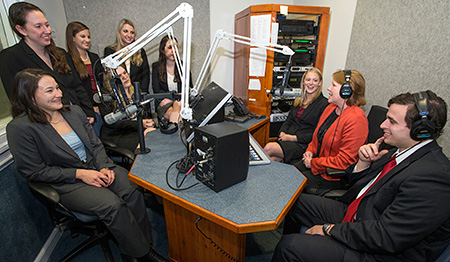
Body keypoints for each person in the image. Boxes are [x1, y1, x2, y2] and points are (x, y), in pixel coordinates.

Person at [6, 68, 167, 262]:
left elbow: (95, 144)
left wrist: (104, 167)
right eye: (50, 91)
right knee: (112, 204)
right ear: (30, 96)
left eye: (57, 88)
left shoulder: (73, 112)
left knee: (133, 190)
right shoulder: (20, 128)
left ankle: (135, 248)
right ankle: (145, 255)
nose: (59, 94)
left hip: (98, 167)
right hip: (69, 182)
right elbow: (34, 171)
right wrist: (80, 174)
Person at [273, 90, 450, 262]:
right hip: (359, 215)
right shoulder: (396, 152)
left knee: (290, 246)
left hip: (378, 251)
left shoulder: (435, 177)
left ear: (421, 130)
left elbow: (386, 237)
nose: (382, 125)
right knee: (295, 203)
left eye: (392, 122)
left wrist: (329, 230)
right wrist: (363, 164)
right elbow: (357, 188)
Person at [0, 2, 94, 122]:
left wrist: (88, 112)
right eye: (38, 26)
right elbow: (20, 102)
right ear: (22, 30)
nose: (47, 31)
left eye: (47, 25)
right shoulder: (10, 57)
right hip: (46, 125)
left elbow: (77, 85)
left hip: (77, 118)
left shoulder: (60, 53)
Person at [293, 69, 368, 193]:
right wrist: (310, 151)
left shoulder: (357, 119)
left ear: (347, 91)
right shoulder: (330, 108)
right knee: (284, 175)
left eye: (333, 85)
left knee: (289, 183)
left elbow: (344, 162)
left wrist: (313, 163)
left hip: (332, 175)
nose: (328, 88)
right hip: (317, 163)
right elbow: (316, 137)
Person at [263, 68, 328, 163]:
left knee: (269, 148)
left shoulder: (324, 104)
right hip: (287, 138)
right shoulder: (298, 99)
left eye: (315, 80)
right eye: (308, 79)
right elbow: (289, 120)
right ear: (303, 81)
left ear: (320, 83)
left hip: (303, 144)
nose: (311, 83)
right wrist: (282, 133)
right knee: (272, 160)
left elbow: (318, 134)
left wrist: (292, 138)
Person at [100, 65, 155, 153]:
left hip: (134, 130)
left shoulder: (136, 92)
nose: (125, 77)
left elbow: (144, 113)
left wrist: (147, 122)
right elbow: (115, 124)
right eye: (120, 76)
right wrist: (140, 123)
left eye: (125, 73)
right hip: (118, 135)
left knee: (153, 133)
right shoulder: (108, 98)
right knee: (149, 136)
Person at [152, 36, 192, 129]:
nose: (174, 50)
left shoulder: (184, 67)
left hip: (181, 102)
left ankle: (174, 137)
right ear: (163, 50)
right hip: (163, 103)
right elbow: (157, 91)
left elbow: (189, 88)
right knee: (179, 111)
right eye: (170, 47)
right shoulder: (156, 67)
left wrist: (176, 100)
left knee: (177, 107)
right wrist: (174, 99)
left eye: (176, 47)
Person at [104, 19, 150, 94]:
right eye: (125, 31)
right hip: (119, 95)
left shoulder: (140, 52)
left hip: (137, 94)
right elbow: (109, 77)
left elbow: (145, 77)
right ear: (119, 33)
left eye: (132, 32)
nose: (129, 35)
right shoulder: (110, 52)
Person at [66, 21, 103, 111]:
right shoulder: (68, 60)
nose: (87, 40)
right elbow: (74, 89)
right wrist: (90, 108)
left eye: (88, 37)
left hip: (101, 104)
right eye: (83, 36)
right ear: (73, 38)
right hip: (85, 108)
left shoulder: (94, 57)